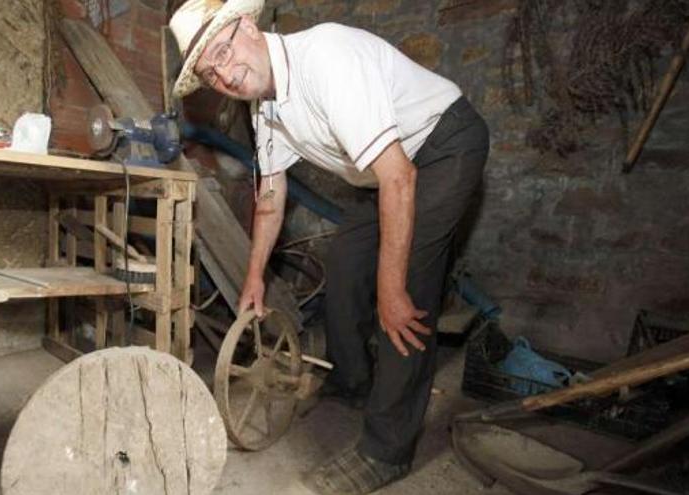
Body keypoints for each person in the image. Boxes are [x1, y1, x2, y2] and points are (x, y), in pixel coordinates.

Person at [170, 1, 490, 493]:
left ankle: (387, 450)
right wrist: (254, 275)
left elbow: (400, 177)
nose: (225, 74)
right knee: (344, 269)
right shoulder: (264, 106)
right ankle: (352, 380)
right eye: (210, 72)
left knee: (403, 294)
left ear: (248, 26)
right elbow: (271, 198)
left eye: (223, 50)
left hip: (443, 146)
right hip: (385, 172)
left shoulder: (327, 61)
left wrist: (390, 288)